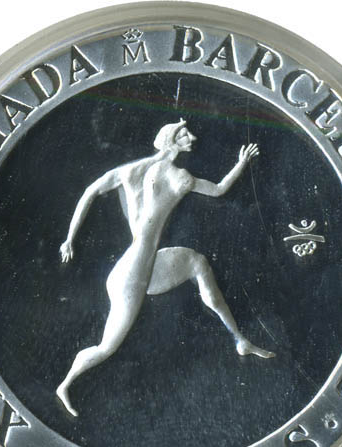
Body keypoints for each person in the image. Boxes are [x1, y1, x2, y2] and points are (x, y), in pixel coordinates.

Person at [58, 119, 274, 416]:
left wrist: (240, 164)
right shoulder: (163, 175)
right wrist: (69, 239)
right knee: (107, 347)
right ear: (172, 139)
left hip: (147, 266)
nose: (192, 137)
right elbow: (218, 189)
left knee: (197, 262)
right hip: (132, 274)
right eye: (185, 133)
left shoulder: (146, 172)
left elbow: (219, 189)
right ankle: (66, 384)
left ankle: (240, 339)